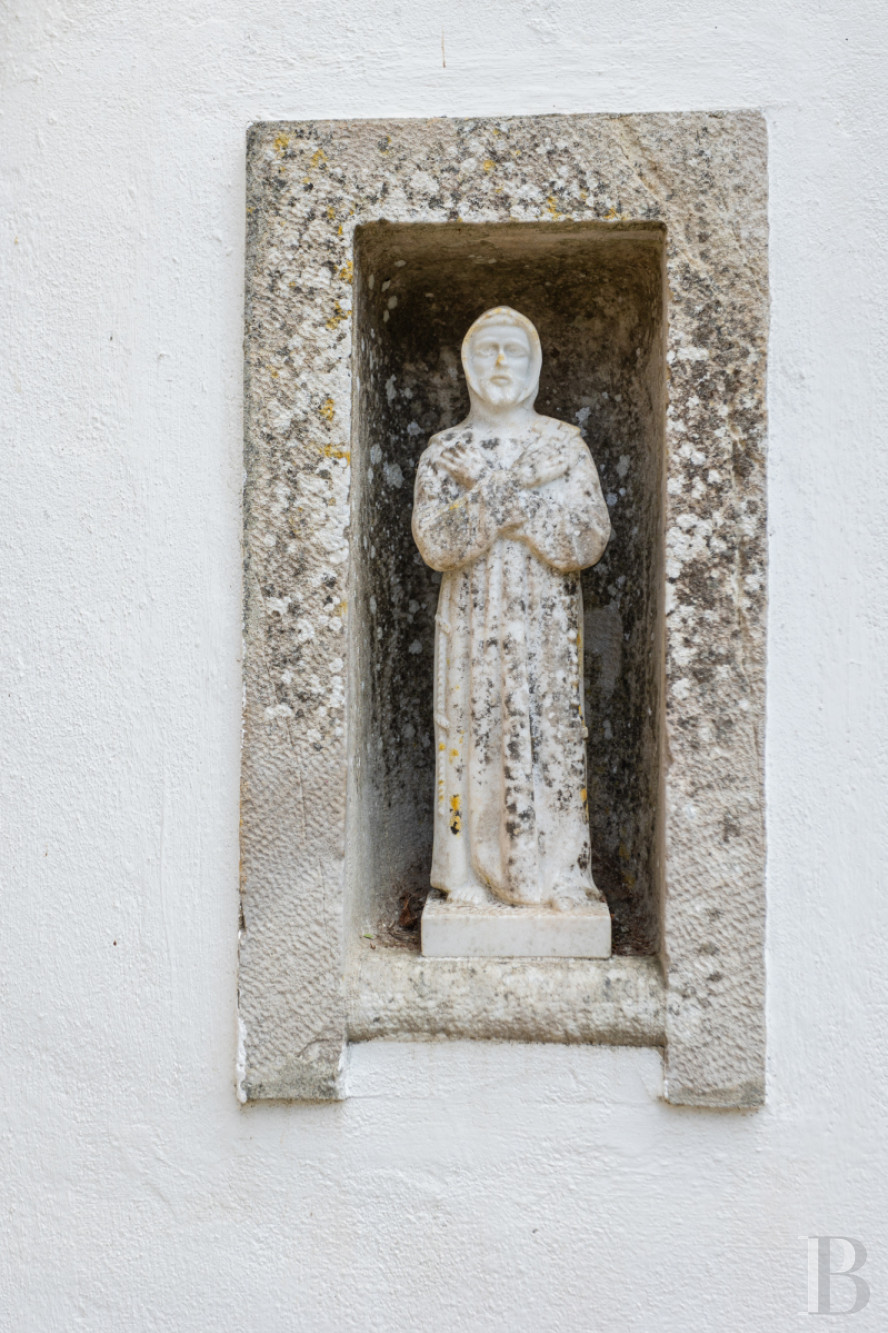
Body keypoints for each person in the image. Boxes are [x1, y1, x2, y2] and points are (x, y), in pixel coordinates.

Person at [412, 306, 611, 910]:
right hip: (473, 622)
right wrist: (512, 485)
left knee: (552, 731)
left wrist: (496, 492)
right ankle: (466, 876)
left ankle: (563, 873)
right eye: (488, 350)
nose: (501, 363)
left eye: (514, 351)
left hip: (545, 622)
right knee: (472, 728)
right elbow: (436, 544)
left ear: (535, 364)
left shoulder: (562, 447)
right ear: (468, 364)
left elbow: (587, 539)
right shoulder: (446, 452)